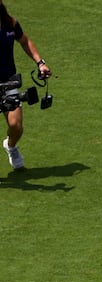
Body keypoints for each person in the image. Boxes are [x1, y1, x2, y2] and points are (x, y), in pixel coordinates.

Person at [1, 3, 50, 171]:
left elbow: (25, 41)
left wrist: (40, 63)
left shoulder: (9, 23)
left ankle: (11, 146)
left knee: (16, 126)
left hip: (8, 82)